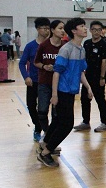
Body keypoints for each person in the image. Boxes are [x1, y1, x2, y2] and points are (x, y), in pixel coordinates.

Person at [38, 17, 93, 168]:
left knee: (57, 121)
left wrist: (88, 87)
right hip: (62, 91)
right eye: (82, 26)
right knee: (67, 125)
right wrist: (54, 95)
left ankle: (45, 144)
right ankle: (45, 153)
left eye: (85, 26)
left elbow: (80, 72)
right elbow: (56, 73)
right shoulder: (66, 49)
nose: (85, 28)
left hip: (71, 92)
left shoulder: (81, 49)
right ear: (74, 31)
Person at [74, 20, 106, 132]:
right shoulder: (87, 43)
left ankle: (105, 123)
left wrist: (102, 77)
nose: (96, 32)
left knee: (100, 100)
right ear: (90, 30)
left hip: (98, 77)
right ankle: (86, 122)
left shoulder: (104, 43)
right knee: (84, 99)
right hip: (88, 76)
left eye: (99, 30)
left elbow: (104, 61)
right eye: (94, 29)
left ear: (101, 31)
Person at [18, 17, 51, 142]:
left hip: (47, 82)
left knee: (44, 108)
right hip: (33, 81)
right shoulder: (30, 46)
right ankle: (38, 126)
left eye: (48, 28)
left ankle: (43, 130)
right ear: (37, 29)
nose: (46, 31)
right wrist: (26, 76)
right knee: (31, 106)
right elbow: (22, 63)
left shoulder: (51, 45)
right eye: (44, 28)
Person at [34, 20, 66, 135]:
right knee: (42, 111)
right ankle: (46, 132)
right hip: (45, 82)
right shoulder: (44, 45)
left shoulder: (65, 46)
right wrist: (44, 66)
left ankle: (52, 135)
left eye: (63, 28)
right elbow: (36, 62)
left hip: (59, 84)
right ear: (53, 30)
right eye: (60, 28)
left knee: (56, 113)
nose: (63, 31)